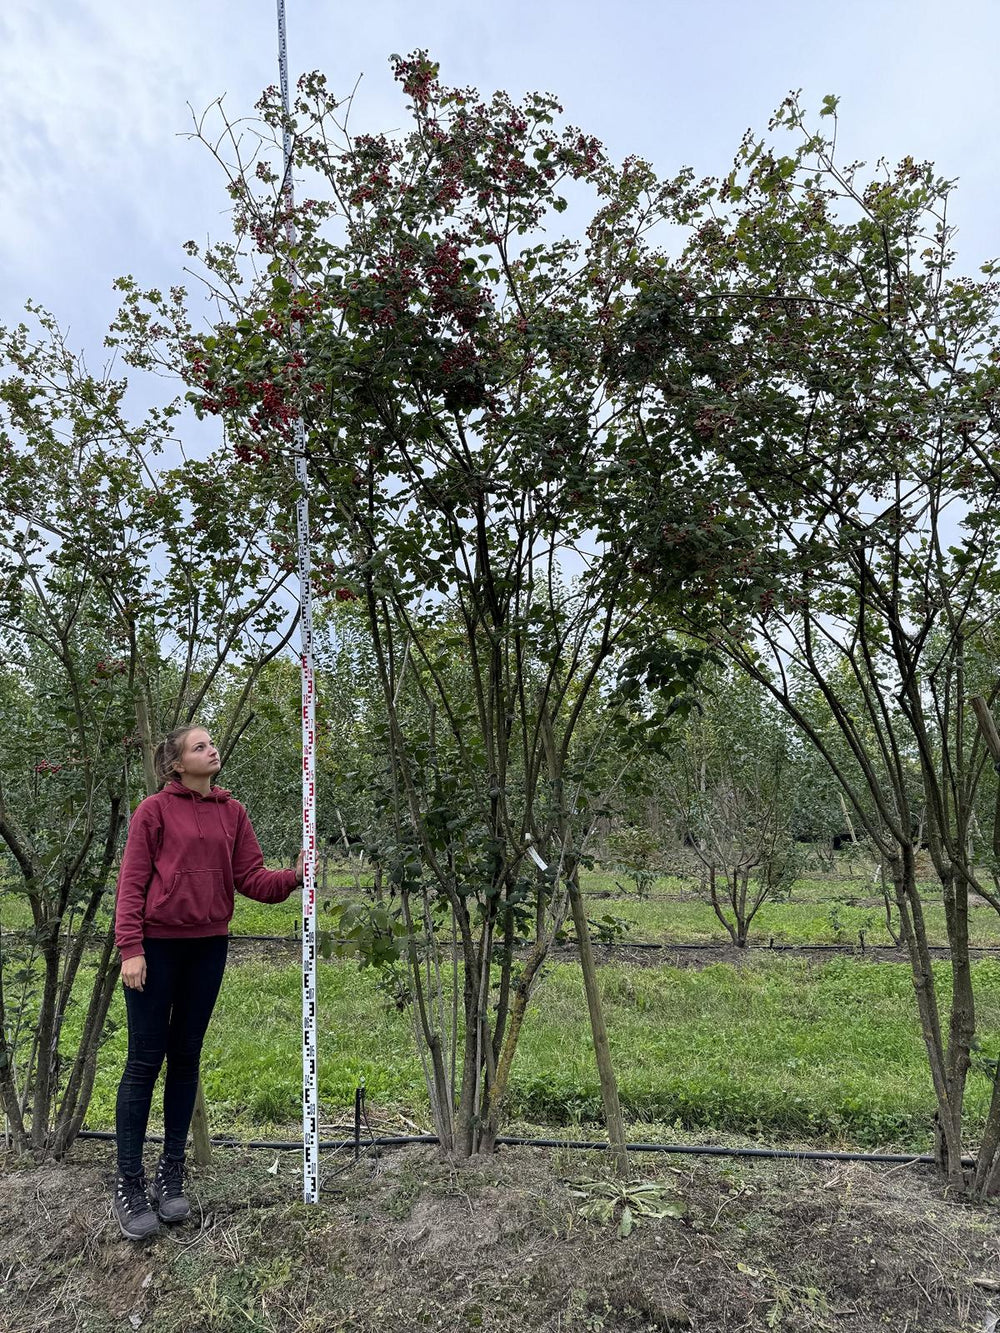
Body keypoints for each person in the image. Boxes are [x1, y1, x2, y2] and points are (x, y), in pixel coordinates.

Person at [111, 724, 303, 1241]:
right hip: (156, 949)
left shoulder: (232, 813)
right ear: (176, 764)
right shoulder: (153, 812)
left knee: (187, 1057)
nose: (211, 749)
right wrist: (131, 947)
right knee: (144, 1060)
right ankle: (128, 1183)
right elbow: (130, 884)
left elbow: (251, 879)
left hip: (208, 947)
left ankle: (170, 1173)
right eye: (199, 746)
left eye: (211, 743)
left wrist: (294, 876)